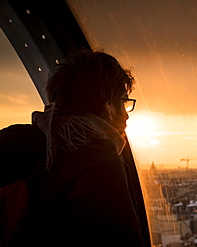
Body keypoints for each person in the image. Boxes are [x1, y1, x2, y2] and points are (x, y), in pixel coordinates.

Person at [3, 48, 145, 246]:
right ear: (109, 106)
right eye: (124, 102)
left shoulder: (19, 140)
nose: (127, 113)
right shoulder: (97, 161)